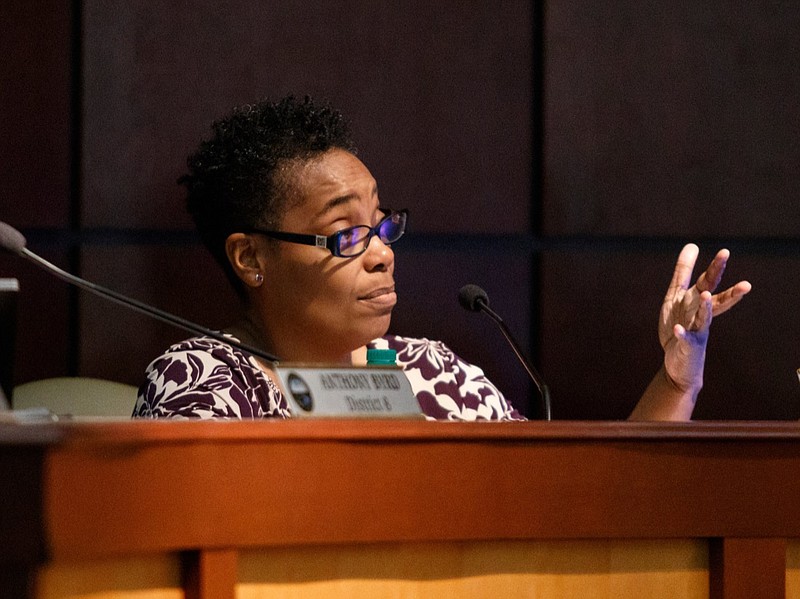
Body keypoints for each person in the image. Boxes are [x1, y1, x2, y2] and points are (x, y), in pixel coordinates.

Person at [133, 95, 751, 421]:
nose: (380, 255)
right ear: (250, 258)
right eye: (345, 234)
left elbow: (581, 509)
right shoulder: (203, 386)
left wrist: (675, 378)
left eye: (380, 226)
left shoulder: (434, 373)